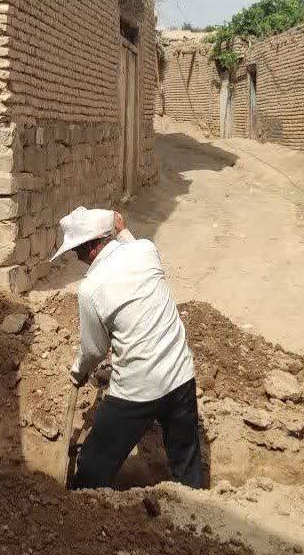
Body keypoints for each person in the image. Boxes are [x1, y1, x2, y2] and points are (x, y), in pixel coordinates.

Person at [51, 206, 202, 489]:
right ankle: (196, 511)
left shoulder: (91, 289)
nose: (77, 257)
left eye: (78, 251)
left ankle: (79, 512)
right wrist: (122, 231)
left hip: (137, 389)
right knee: (188, 464)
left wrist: (77, 372)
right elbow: (132, 248)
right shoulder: (145, 249)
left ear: (92, 247)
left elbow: (95, 350)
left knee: (92, 468)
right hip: (181, 375)